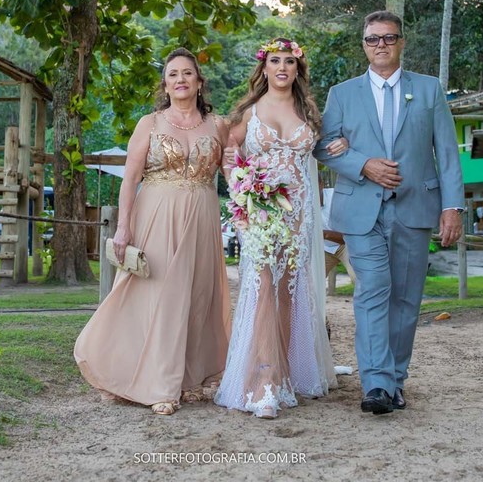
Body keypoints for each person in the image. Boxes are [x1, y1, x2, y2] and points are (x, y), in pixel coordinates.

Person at [314, 11, 464, 415]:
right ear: (363, 44)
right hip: (361, 209)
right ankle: (376, 383)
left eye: (389, 38)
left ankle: (396, 380)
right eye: (372, 39)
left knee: (406, 298)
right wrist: (363, 164)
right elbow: (325, 144)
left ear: (401, 43)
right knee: (374, 288)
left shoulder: (429, 90)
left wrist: (453, 206)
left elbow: (446, 153)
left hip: (416, 206)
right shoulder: (342, 94)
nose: (380, 45)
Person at [74, 48, 232, 416]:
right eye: (173, 73)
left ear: (199, 81)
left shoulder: (219, 125)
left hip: (204, 214)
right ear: (165, 83)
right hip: (157, 214)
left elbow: (234, 172)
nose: (180, 79)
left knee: (197, 296)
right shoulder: (150, 123)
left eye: (187, 73)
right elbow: (129, 180)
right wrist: (124, 228)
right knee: (158, 295)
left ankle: (189, 378)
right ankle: (154, 382)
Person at [214, 38, 339, 419]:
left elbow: (321, 150)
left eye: (289, 61)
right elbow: (228, 155)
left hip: (299, 215)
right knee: (264, 289)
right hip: (261, 214)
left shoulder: (308, 112)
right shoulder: (249, 112)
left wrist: (340, 144)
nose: (282, 67)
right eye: (274, 61)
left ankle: (288, 372)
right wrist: (243, 191)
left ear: (297, 69)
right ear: (264, 68)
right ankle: (263, 383)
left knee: (289, 290)